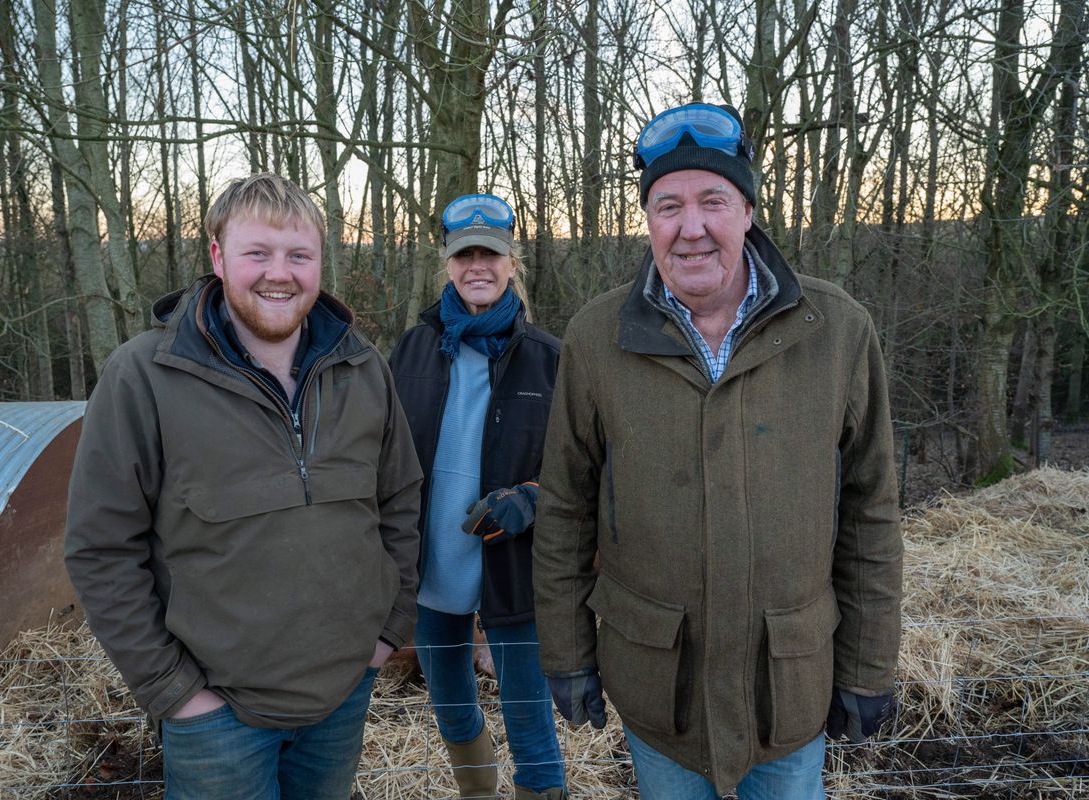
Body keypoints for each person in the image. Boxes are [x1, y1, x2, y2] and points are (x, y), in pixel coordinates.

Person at [531, 102, 903, 799]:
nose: (691, 226)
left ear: (749, 210)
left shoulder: (838, 330)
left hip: (786, 689)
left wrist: (866, 667)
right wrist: (568, 654)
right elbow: (564, 510)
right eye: (668, 204)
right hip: (658, 688)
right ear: (647, 220)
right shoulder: (595, 337)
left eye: (713, 201)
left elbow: (871, 513)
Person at [64, 173, 423, 799]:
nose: (278, 273)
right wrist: (176, 692)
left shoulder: (362, 369)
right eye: (257, 252)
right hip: (217, 715)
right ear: (217, 256)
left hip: (340, 698)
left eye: (298, 255)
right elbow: (101, 549)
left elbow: (400, 503)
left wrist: (386, 632)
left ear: (319, 263)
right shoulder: (145, 377)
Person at [390, 193, 566, 800]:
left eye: (490, 254)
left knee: (530, 726)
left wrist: (532, 498)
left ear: (511, 261)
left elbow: (586, 472)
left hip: (512, 573)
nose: (478, 267)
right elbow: (381, 456)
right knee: (453, 711)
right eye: (464, 254)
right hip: (431, 569)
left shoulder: (547, 361)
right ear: (448, 262)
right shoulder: (413, 351)